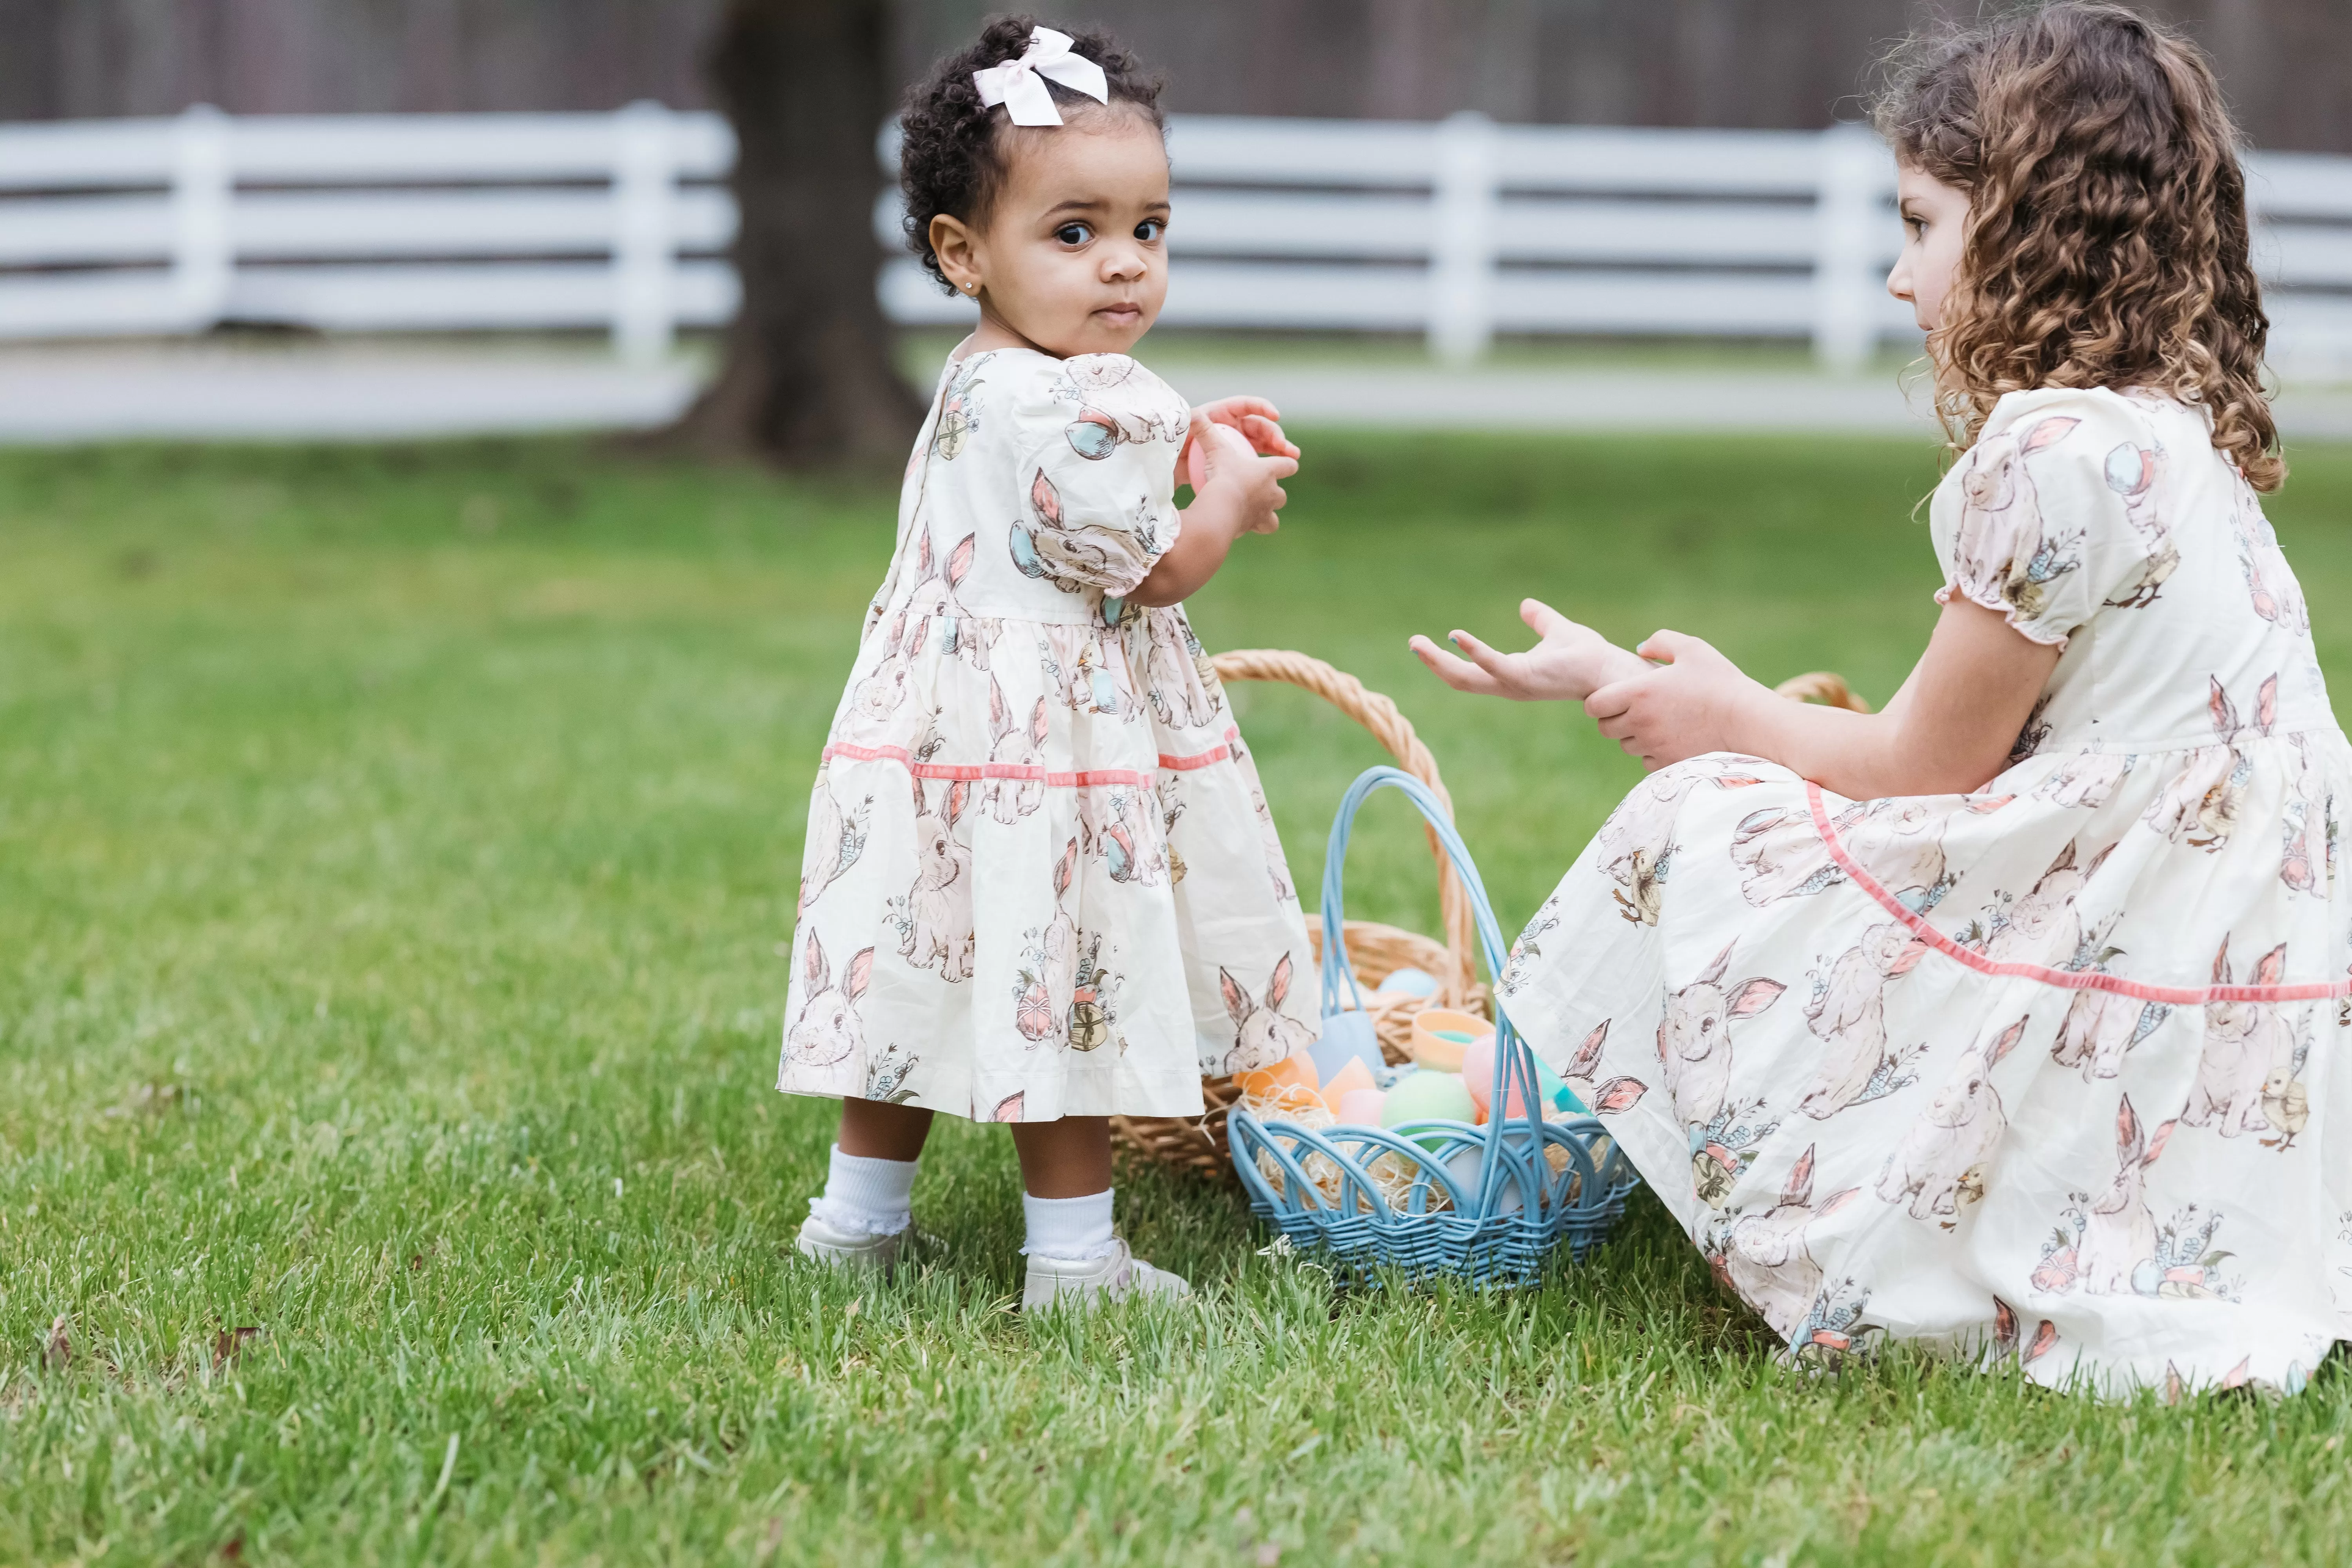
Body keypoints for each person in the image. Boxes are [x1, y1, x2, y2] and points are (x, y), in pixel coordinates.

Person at [1414, 3, 2341, 1396]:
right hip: (2214, 926)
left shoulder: (2047, 454)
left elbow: (1924, 767)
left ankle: (1514, 1168)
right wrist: (1632, 674)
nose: (1897, 278)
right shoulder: (2163, 431)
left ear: (2029, 230)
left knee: (1700, 822)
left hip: (2122, 902)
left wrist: (1717, 718)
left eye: (1917, 224)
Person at [782, 18, 1317, 1307]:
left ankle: (854, 1223)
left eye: (1149, 228)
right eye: (1073, 234)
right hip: (1042, 753)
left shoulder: (985, 376)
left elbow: (1051, 492)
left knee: (921, 966)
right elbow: (1153, 568)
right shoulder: (1085, 398)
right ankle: (1072, 1261)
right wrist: (1225, 500)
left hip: (941, 742)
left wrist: (1184, 437)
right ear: (963, 254)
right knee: (1060, 980)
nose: (1124, 265)